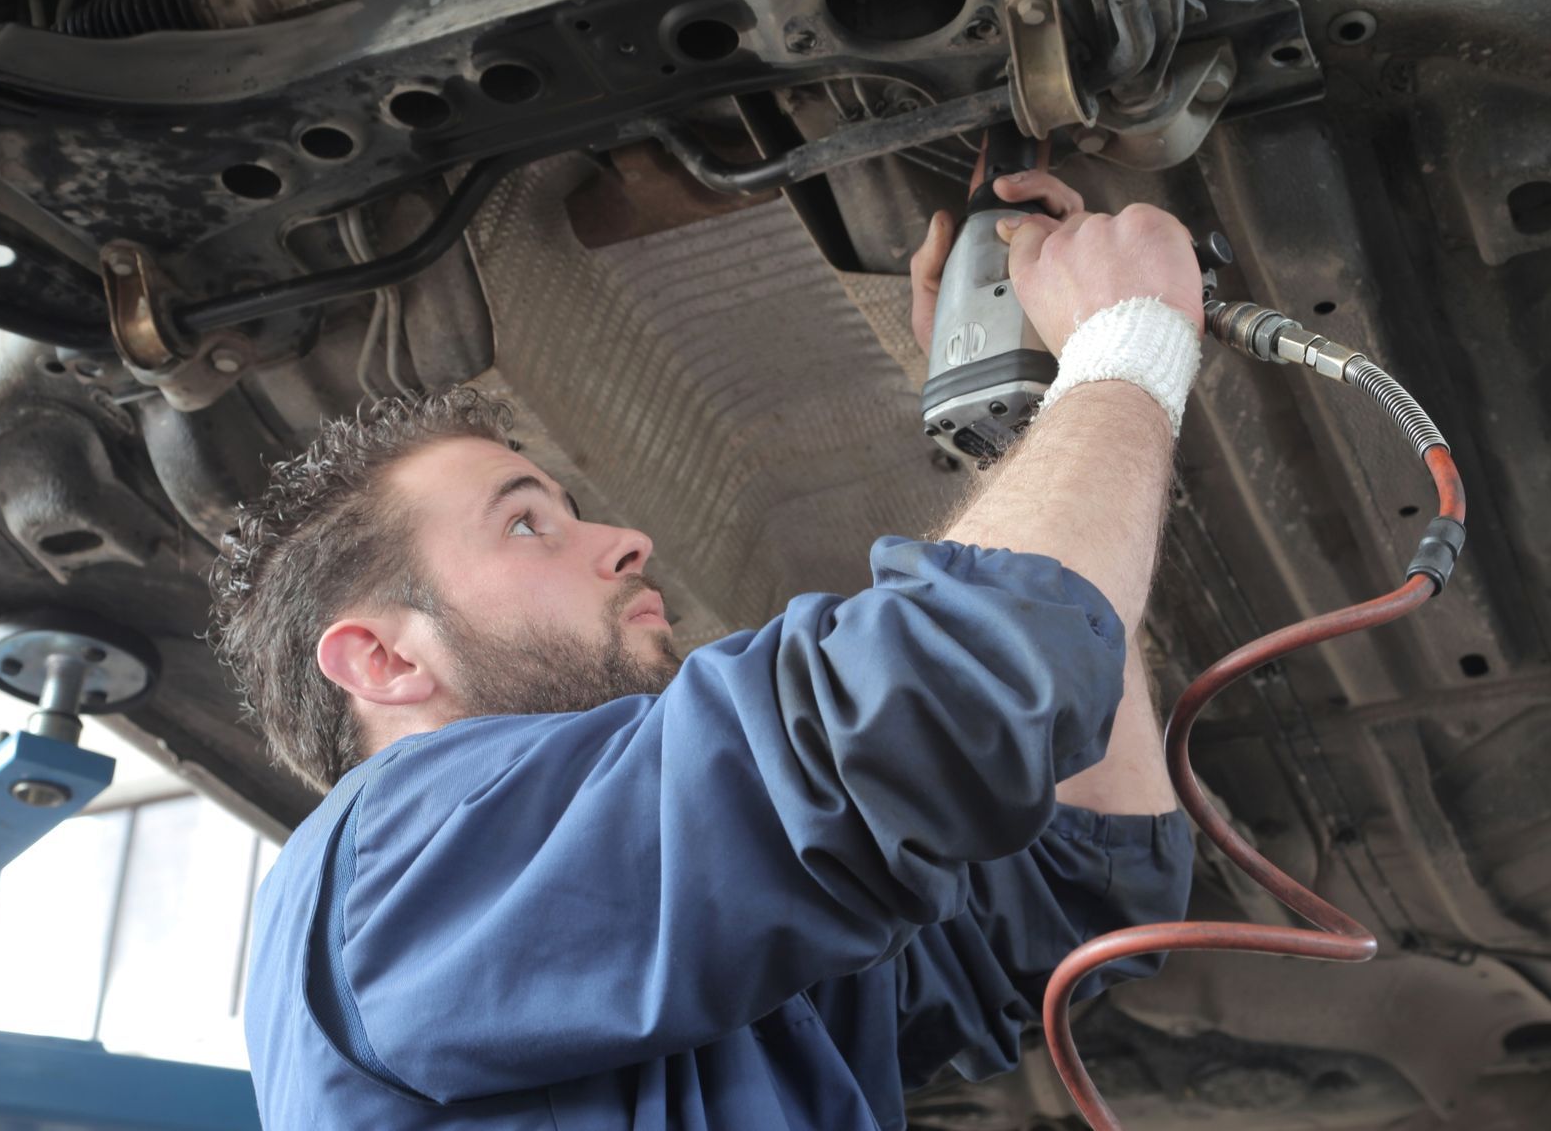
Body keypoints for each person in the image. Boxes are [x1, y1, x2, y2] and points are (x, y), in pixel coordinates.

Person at [211, 169, 1206, 1129]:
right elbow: (942, 703)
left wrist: (1032, 418)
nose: (627, 541)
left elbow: (1071, 885)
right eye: (524, 524)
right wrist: (1128, 346)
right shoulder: (387, 868)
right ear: (382, 661)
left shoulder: (633, 939)